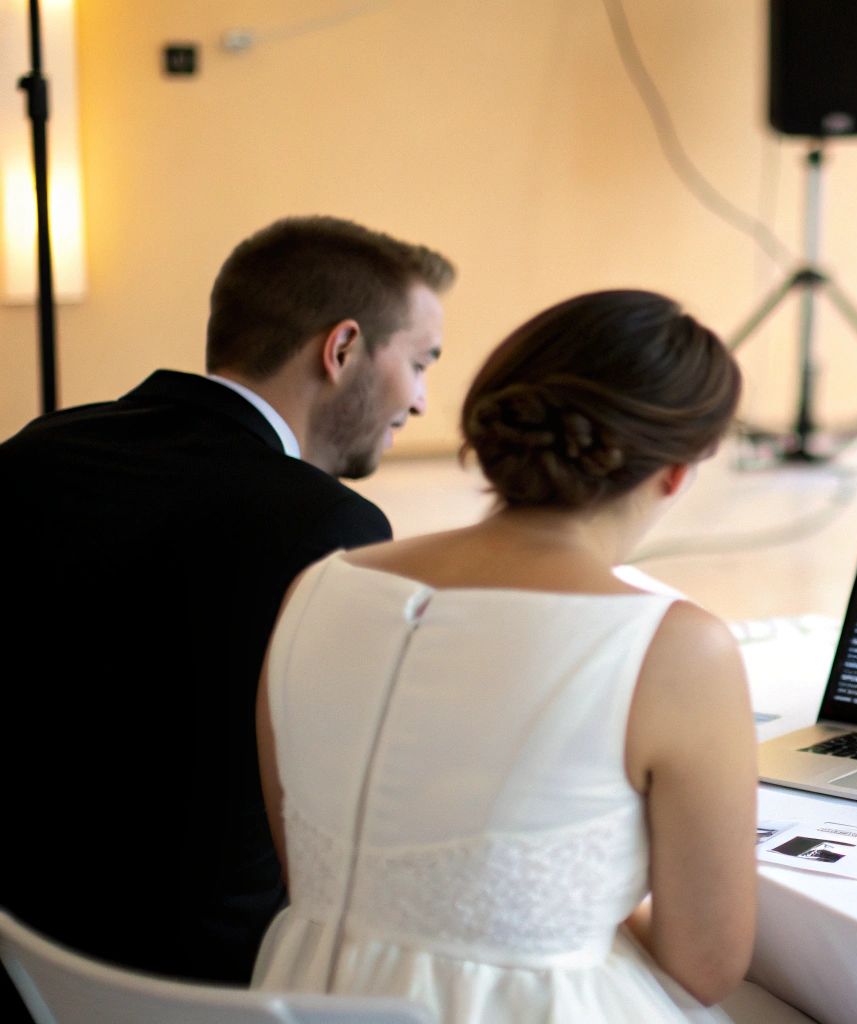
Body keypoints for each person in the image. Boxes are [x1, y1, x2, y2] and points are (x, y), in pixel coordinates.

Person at [251, 290, 757, 1022]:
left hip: (306, 996)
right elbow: (707, 966)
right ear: (676, 472)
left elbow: (317, 869)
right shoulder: (676, 647)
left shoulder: (317, 589)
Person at [0, 216, 455, 993]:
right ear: (341, 349)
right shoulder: (323, 522)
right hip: (209, 980)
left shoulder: (39, 450)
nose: (417, 402)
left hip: (27, 952)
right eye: (418, 363)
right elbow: (340, 812)